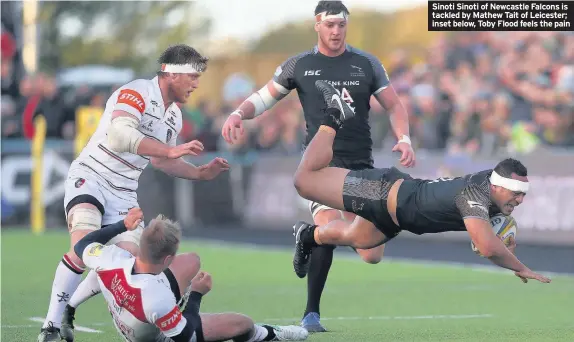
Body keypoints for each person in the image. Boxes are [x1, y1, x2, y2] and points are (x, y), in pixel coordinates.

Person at [220, 1, 415, 331]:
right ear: (317, 26)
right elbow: (264, 98)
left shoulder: (367, 63)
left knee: (371, 253)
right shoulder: (300, 65)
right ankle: (311, 314)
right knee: (331, 224)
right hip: (320, 169)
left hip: (360, 168)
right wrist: (238, 113)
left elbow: (394, 105)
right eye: (329, 25)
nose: (336, 31)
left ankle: (308, 235)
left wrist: (405, 138)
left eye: (341, 25)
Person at [38, 44, 230, 342]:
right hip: (91, 177)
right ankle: (49, 326)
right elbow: (120, 135)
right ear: (171, 74)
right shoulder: (137, 91)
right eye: (192, 76)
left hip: (125, 194)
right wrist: (170, 148)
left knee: (130, 263)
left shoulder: (174, 116)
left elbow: (160, 160)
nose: (196, 83)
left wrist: (199, 173)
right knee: (82, 246)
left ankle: (70, 308)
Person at [291, 80, 552, 285]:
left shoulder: (493, 191)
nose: (519, 199)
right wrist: (519, 266)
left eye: (523, 194)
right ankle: (334, 114)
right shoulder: (475, 194)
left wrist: (505, 236)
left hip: (395, 217)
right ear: (496, 185)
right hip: (379, 192)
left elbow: (493, 239)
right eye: (515, 192)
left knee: (364, 249)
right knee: (304, 181)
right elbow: (486, 247)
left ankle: (307, 235)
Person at [71, 208, 309, 342]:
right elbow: (187, 337)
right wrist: (196, 294)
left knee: (193, 260)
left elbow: (83, 244)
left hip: (133, 304)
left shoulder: (112, 257)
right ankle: (269, 334)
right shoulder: (157, 298)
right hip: (156, 336)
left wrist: (123, 225)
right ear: (166, 260)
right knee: (242, 323)